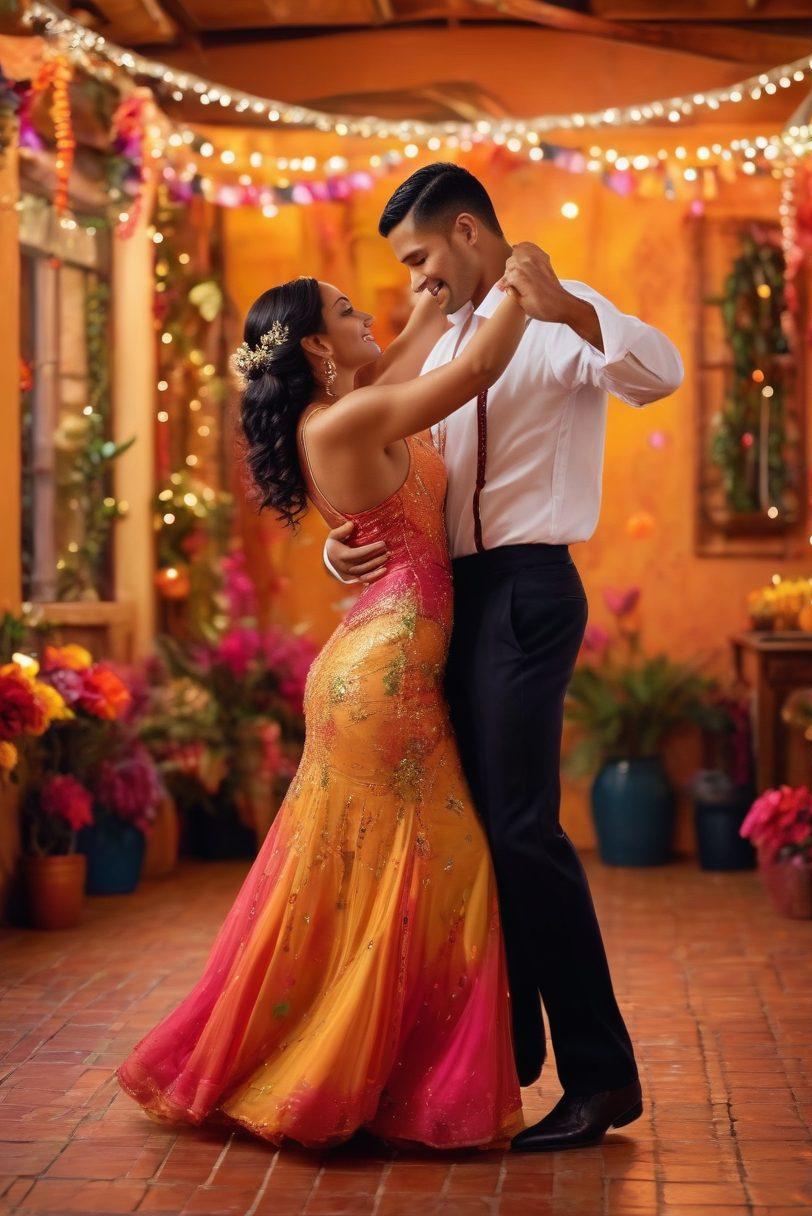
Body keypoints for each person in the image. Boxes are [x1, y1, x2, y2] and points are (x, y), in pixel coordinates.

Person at [116, 272, 531, 1149]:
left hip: (381, 660)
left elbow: (412, 352)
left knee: (368, 874)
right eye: (346, 312)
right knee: (445, 868)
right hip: (385, 676)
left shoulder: (349, 408)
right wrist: (521, 284)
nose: (364, 315)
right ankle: (363, 1078)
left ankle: (358, 1070)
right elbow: (471, 372)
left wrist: (428, 302)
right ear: (313, 347)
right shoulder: (344, 419)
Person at [324, 163, 684, 1152]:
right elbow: (371, 458)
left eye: (420, 255)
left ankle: (601, 1077)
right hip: (449, 598)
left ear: (470, 231)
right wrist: (336, 547)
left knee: (521, 827)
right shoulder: (439, 343)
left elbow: (661, 373)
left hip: (526, 589)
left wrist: (564, 301)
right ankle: (506, 1051)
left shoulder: (560, 316)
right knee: (473, 829)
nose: (414, 277)